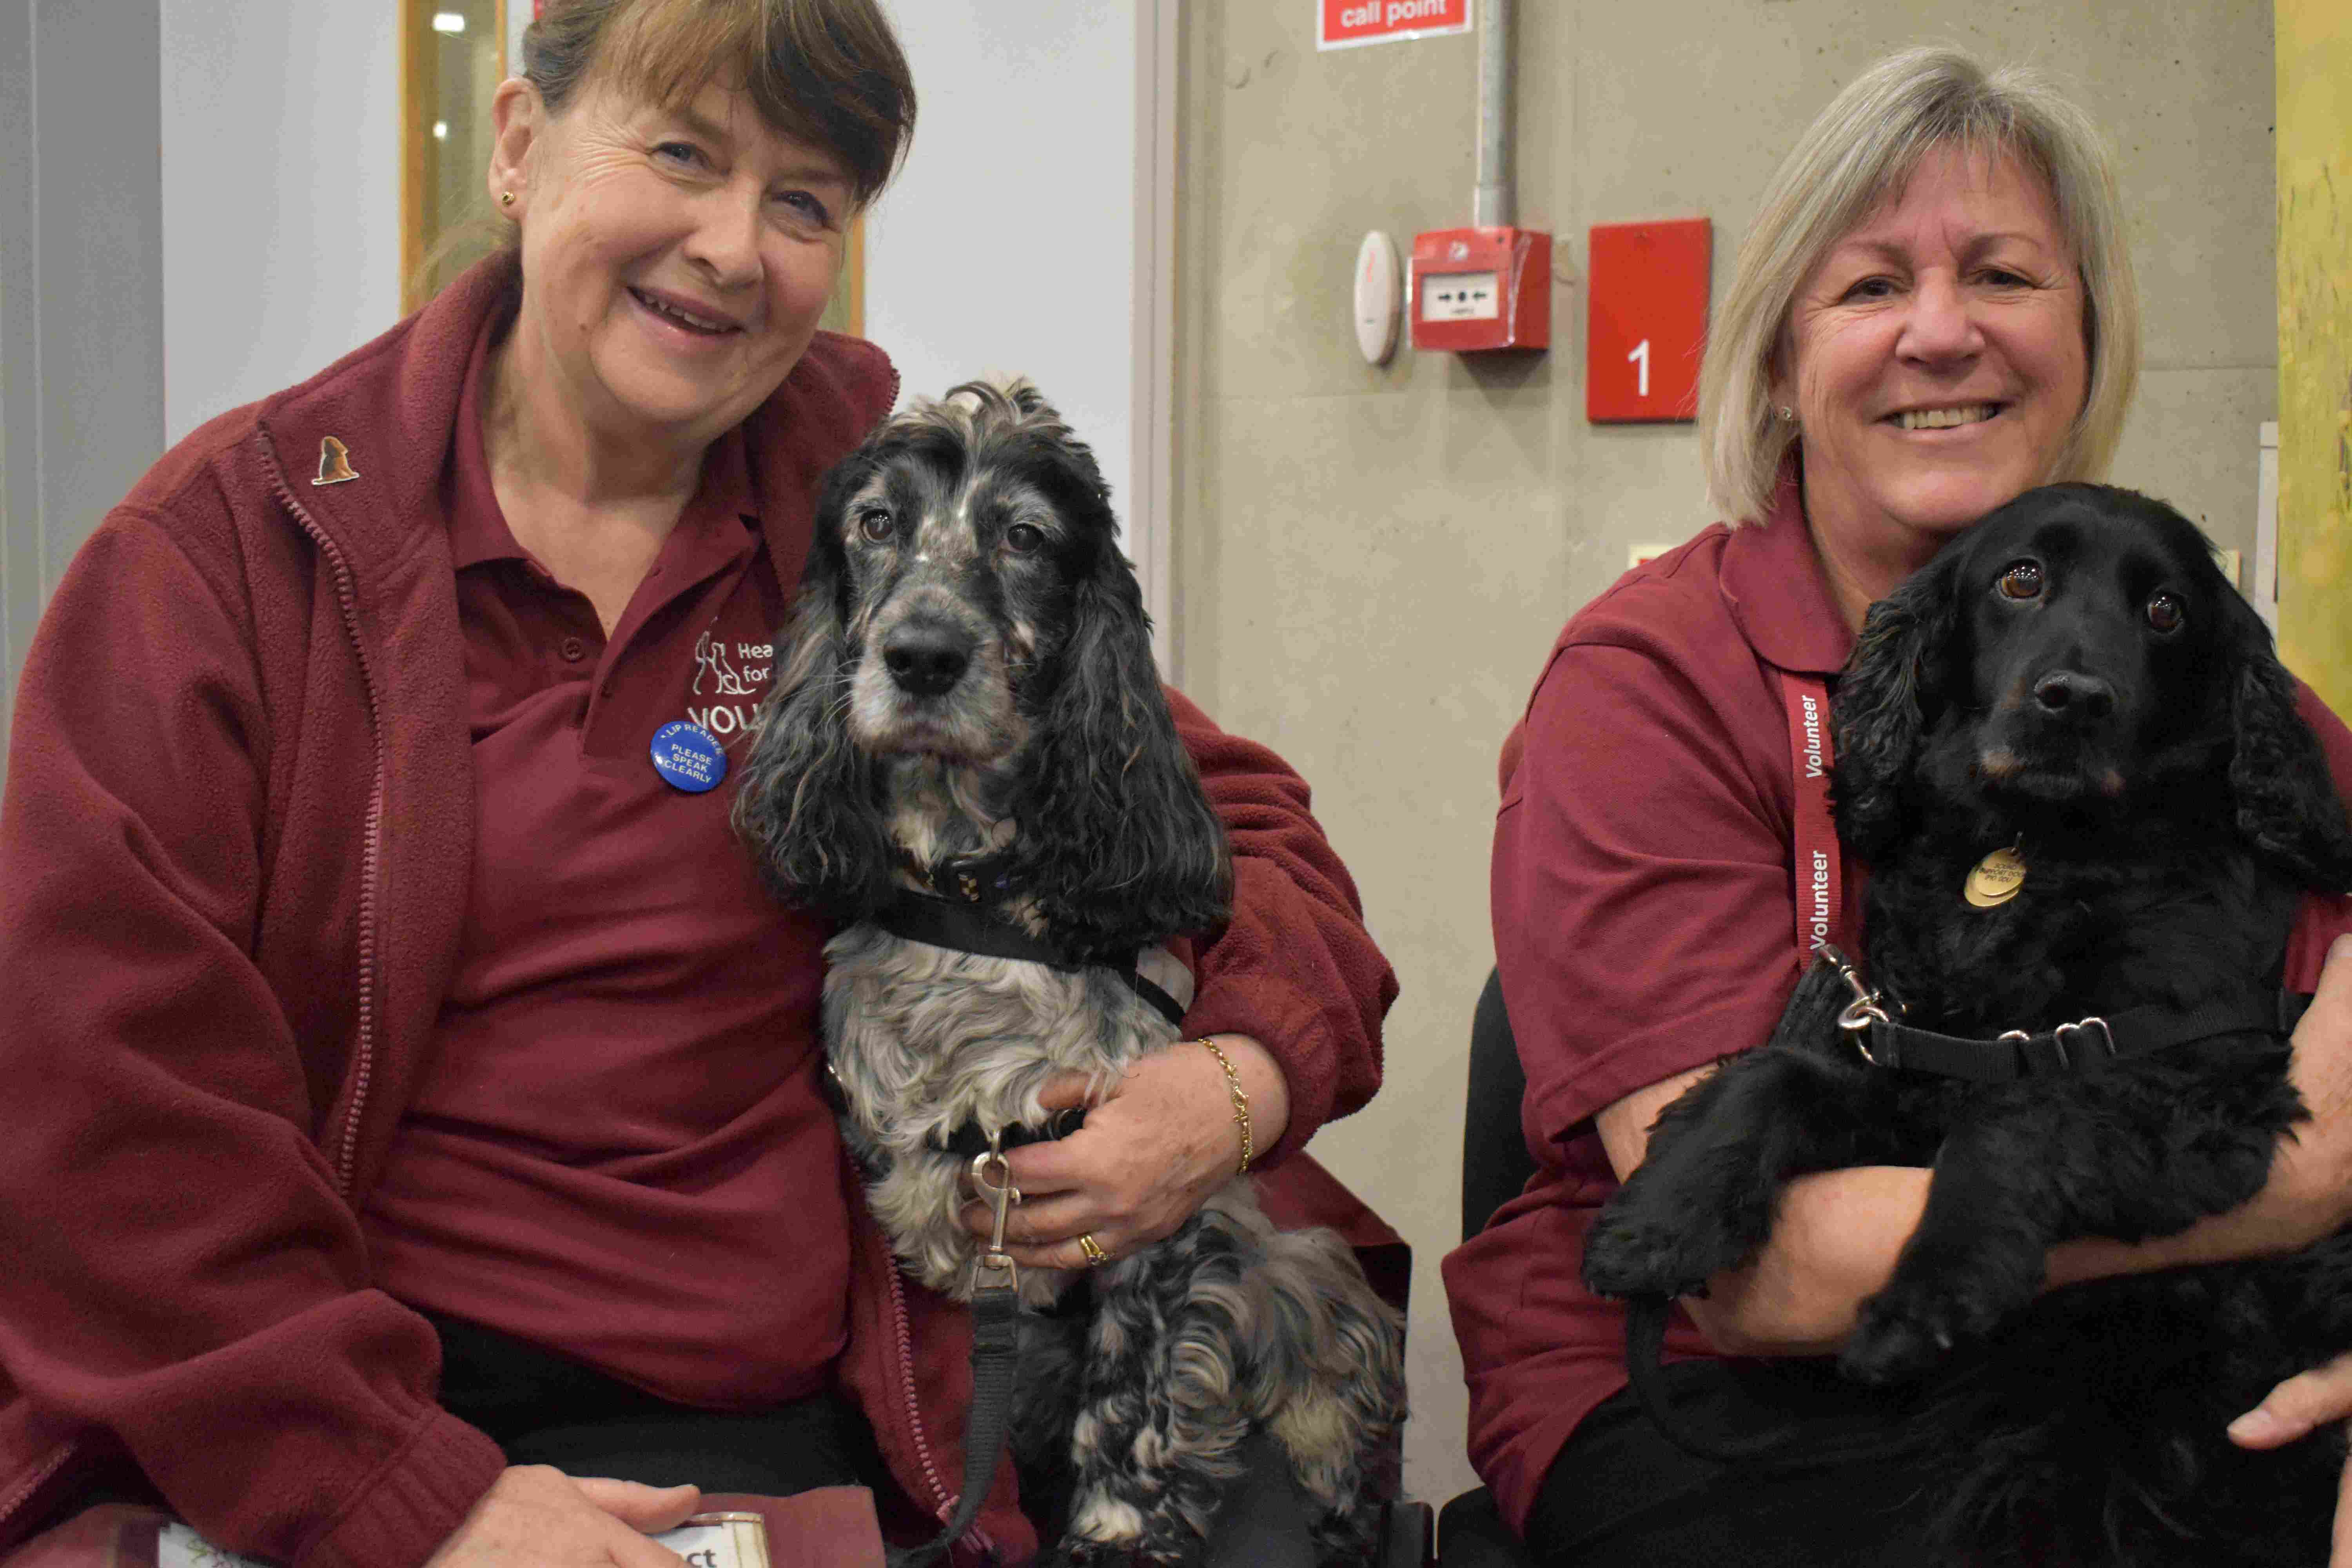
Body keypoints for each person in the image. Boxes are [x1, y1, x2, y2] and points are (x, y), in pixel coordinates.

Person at [0, 3, 1395, 1565]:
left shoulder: (860, 513)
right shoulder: (227, 559)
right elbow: (108, 1119)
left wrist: (1230, 1087)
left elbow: (1235, 823)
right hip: (326, 1410)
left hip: (777, 1414)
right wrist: (413, 1495)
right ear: (519, 146)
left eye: (803, 201)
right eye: (679, 154)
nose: (734, 247)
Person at [1442, 44, 2352, 1566]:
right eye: (1872, 287)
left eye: (2003, 274)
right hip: (1714, 1385)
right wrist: (2304, 1175)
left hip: (2105, 1343)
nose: (1942, 332)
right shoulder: (1649, 683)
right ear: (1780, 362)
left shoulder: (2178, 653)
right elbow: (1760, 1272)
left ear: (2084, 342)